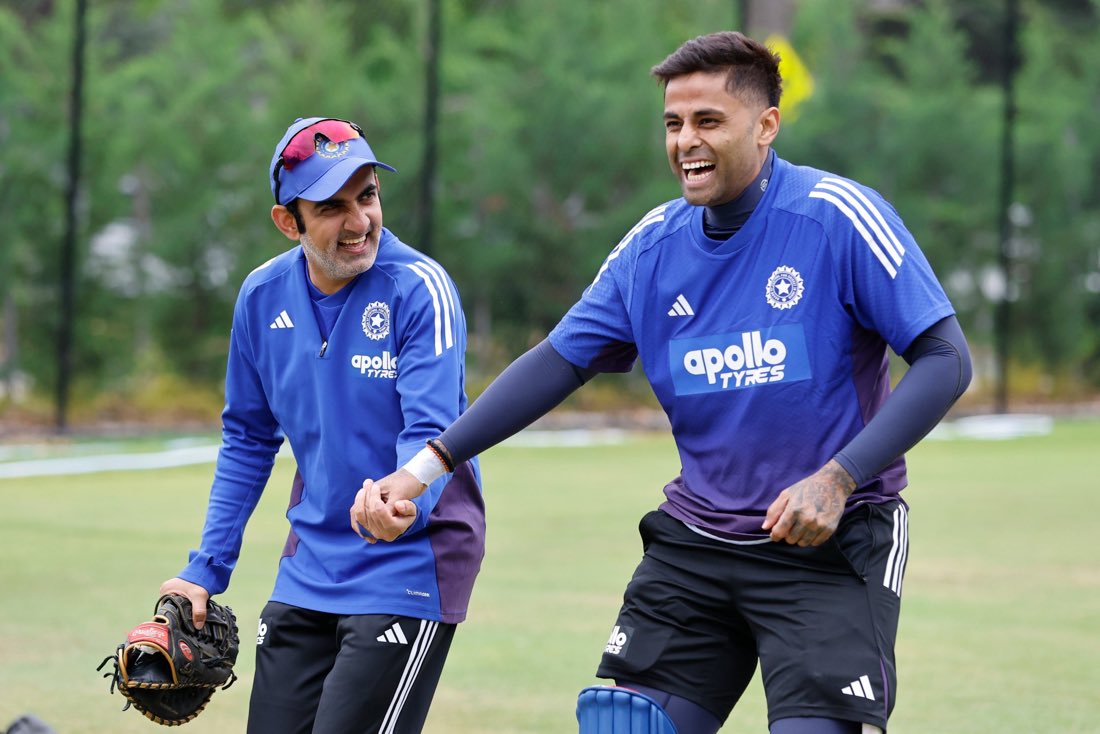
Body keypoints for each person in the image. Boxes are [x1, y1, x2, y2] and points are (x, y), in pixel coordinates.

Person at [353, 31, 972, 734]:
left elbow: (947, 358)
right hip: (698, 544)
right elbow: (558, 361)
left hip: (827, 549)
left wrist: (838, 478)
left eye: (708, 121)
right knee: (625, 724)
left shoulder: (836, 217)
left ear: (766, 125)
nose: (685, 142)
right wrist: (426, 466)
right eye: (673, 124)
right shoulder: (652, 245)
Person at [159, 116, 485, 734]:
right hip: (309, 563)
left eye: (368, 196)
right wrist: (206, 568)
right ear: (290, 221)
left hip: (408, 559)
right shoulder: (260, 296)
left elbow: (434, 428)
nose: (360, 221)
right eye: (332, 207)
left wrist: (405, 500)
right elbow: (249, 440)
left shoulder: (420, 289)